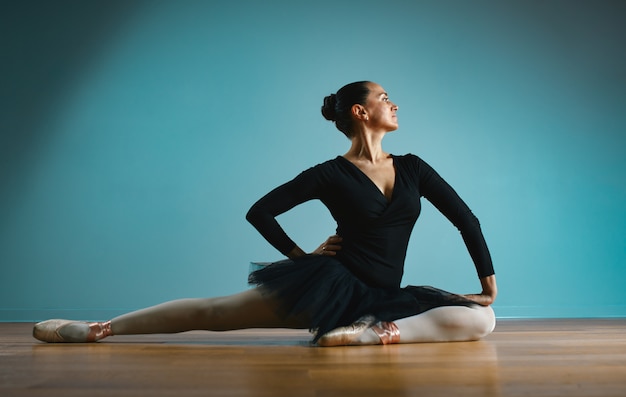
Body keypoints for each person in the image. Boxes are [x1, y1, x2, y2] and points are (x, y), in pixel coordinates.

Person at [33, 81, 497, 347]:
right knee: (214, 311)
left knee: (483, 321)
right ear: (360, 110)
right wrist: (300, 258)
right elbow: (261, 212)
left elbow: (466, 219)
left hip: (384, 300)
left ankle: (369, 337)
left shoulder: (413, 168)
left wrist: (486, 286)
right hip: (330, 284)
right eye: (383, 96)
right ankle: (98, 328)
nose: (394, 102)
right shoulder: (329, 174)